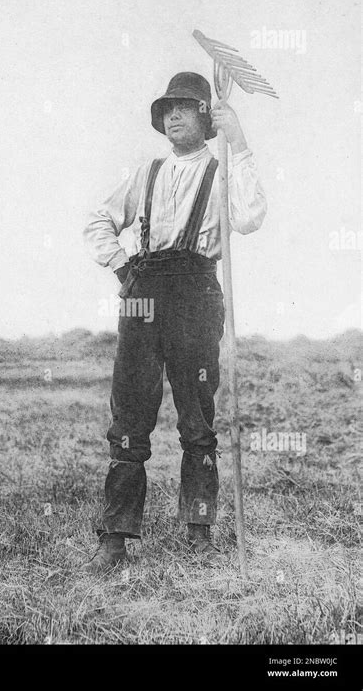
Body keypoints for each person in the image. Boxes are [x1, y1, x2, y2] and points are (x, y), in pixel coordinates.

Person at [83, 72, 266, 572]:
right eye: (167, 109)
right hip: (142, 296)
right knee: (129, 417)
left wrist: (240, 141)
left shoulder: (222, 167)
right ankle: (115, 539)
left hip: (197, 295)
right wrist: (121, 267)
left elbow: (249, 217)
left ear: (207, 115)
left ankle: (199, 532)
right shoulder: (148, 172)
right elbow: (98, 219)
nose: (174, 116)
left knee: (197, 417)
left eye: (185, 107)